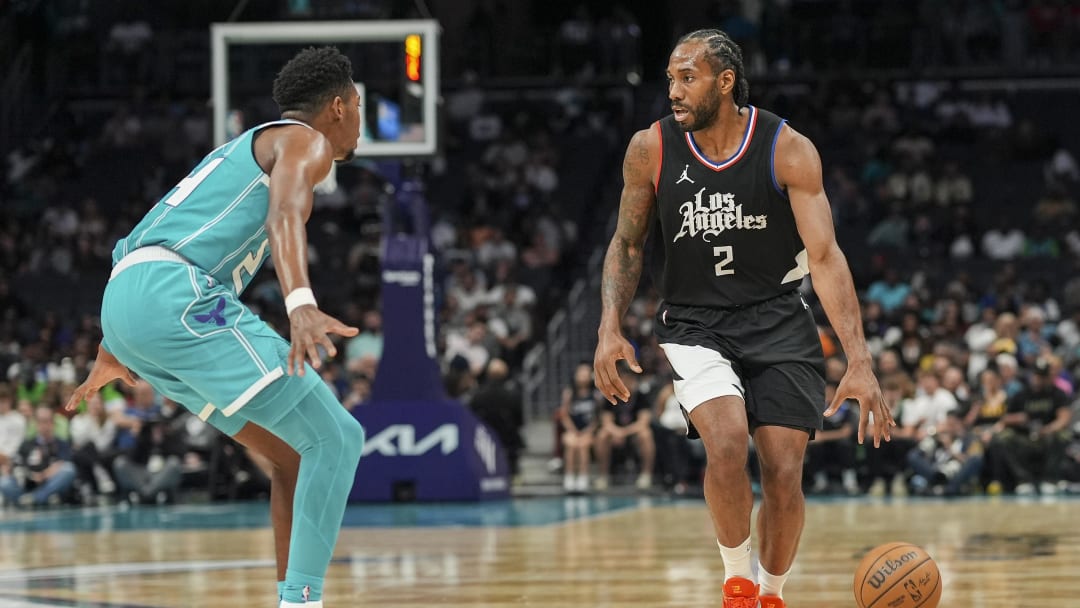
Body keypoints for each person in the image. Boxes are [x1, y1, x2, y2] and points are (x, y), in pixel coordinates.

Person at [593, 29, 894, 608]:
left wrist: (859, 358)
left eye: (688, 78)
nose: (674, 92)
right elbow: (628, 245)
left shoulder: (787, 147)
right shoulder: (649, 148)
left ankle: (771, 595)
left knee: (784, 470)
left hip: (779, 318)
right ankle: (737, 586)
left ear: (725, 81)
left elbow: (826, 257)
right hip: (695, 323)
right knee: (727, 441)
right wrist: (609, 325)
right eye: (670, 80)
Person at [64, 46, 365, 608]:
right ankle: (304, 601)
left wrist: (114, 347)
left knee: (295, 456)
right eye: (359, 106)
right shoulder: (307, 141)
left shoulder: (242, 149)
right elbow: (283, 216)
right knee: (339, 437)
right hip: (173, 292)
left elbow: (157, 242)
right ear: (341, 106)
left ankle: (290, 598)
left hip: (128, 301)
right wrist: (300, 301)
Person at [556, 362, 601, 493]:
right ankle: (569, 477)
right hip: (573, 429)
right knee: (571, 443)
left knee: (583, 445)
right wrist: (572, 430)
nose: (583, 376)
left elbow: (598, 418)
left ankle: (583, 477)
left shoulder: (596, 394)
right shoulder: (569, 392)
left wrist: (589, 431)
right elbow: (564, 414)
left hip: (589, 430)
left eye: (585, 373)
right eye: (580, 373)